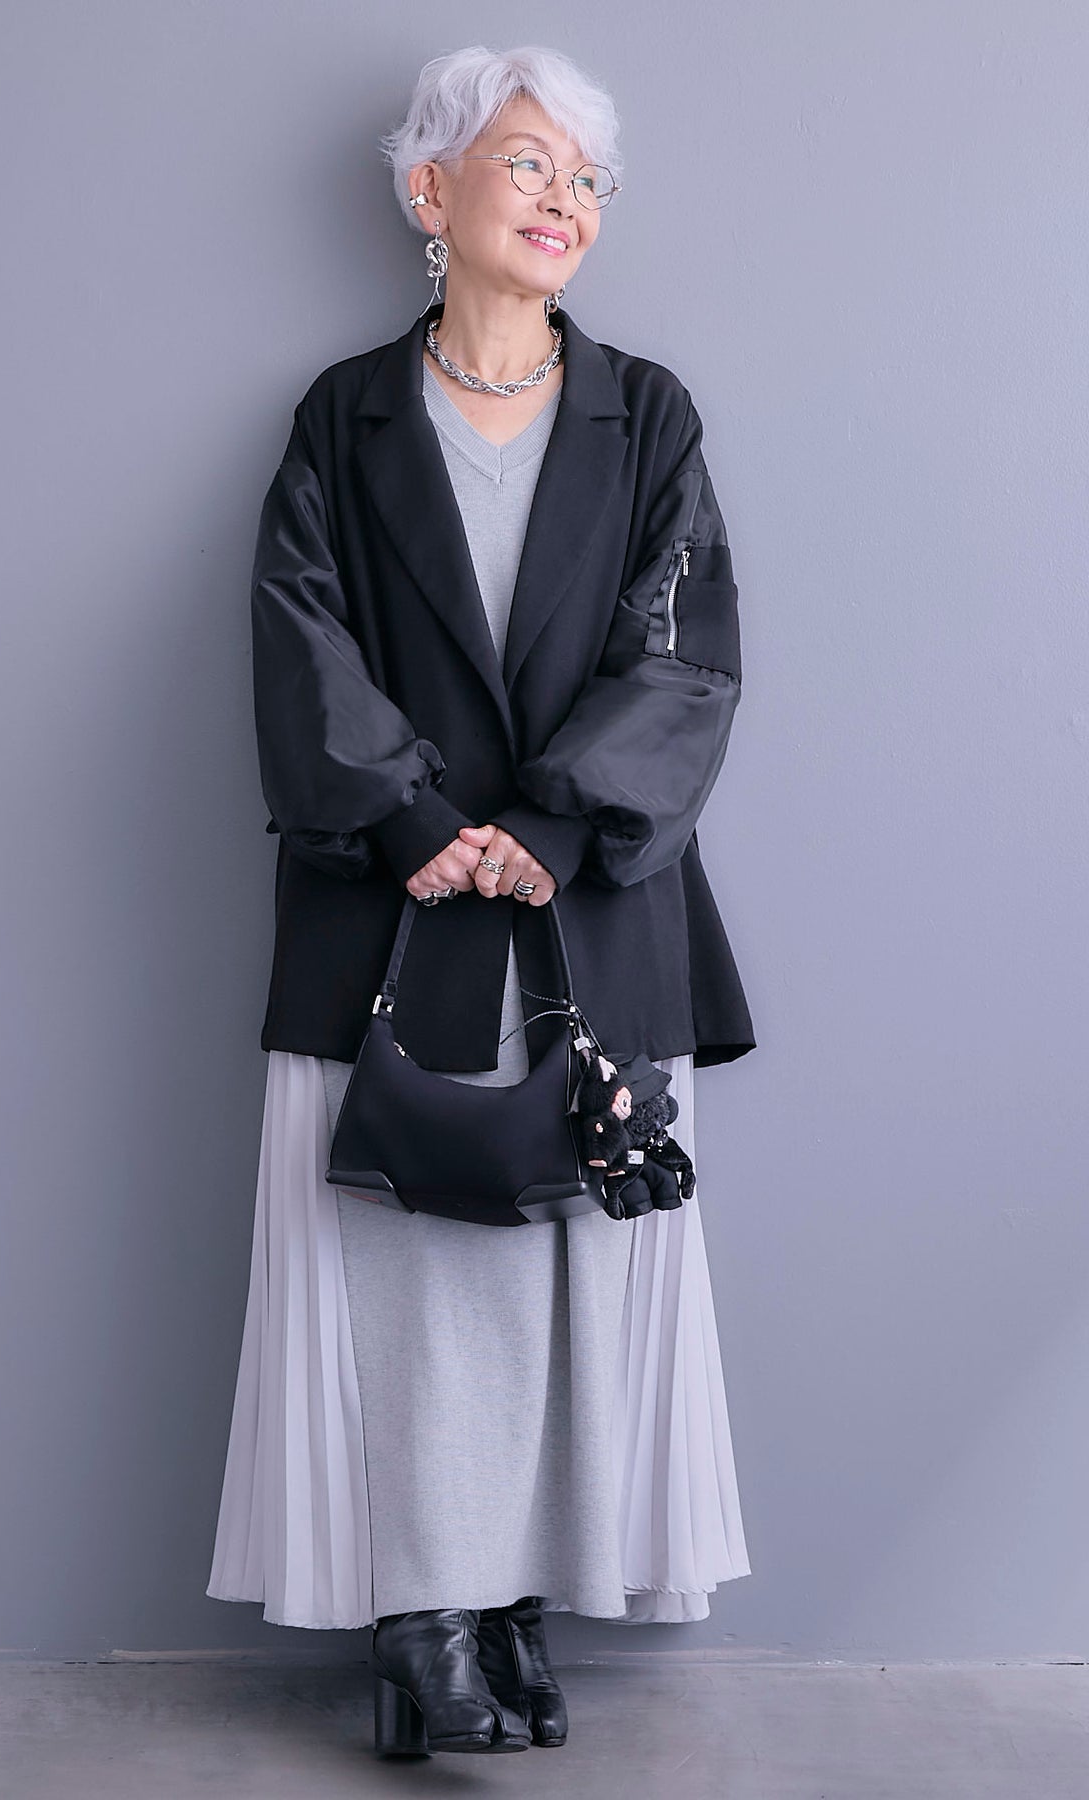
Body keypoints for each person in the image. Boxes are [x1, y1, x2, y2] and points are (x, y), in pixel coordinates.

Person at [207, 43, 756, 1758]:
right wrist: (412, 817)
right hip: (395, 902)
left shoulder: (648, 414)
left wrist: (552, 822)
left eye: (585, 177)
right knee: (406, 1265)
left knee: (572, 1265)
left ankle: (510, 1605)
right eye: (528, 164)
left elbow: (688, 652)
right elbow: (296, 629)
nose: (563, 199)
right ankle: (423, 1614)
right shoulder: (345, 415)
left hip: (589, 899)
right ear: (428, 191)